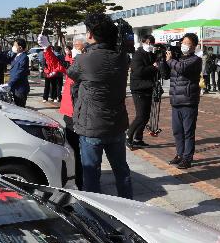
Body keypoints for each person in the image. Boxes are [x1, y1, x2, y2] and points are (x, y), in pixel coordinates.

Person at [67, 13, 132, 199]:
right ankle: (129, 207)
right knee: (122, 171)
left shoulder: (84, 59)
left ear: (91, 34)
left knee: (91, 175)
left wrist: (81, 52)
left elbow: (72, 73)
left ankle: (97, 214)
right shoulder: (121, 58)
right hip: (117, 124)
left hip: (91, 127)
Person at [162, 33, 202, 169]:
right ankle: (179, 154)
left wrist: (170, 60)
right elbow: (166, 74)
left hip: (188, 101)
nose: (184, 45)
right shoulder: (177, 59)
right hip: (175, 100)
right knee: (177, 131)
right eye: (183, 42)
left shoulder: (196, 60)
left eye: (187, 43)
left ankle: (187, 158)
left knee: (188, 132)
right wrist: (163, 60)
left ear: (194, 46)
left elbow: (181, 68)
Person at [59, 40, 84, 189]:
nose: (73, 48)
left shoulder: (81, 64)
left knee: (78, 151)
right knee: (73, 149)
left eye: (76, 46)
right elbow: (61, 63)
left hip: (75, 113)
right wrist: (47, 48)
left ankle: (81, 181)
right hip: (69, 112)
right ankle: (78, 178)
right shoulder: (75, 61)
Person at [127, 35, 158, 149]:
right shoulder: (138, 55)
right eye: (148, 42)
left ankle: (138, 138)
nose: (150, 45)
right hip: (138, 88)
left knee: (146, 116)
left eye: (152, 43)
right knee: (140, 115)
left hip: (148, 87)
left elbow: (157, 70)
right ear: (143, 42)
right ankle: (128, 137)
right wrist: (153, 68)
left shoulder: (151, 54)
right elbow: (139, 71)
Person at [4, 38, 30, 107]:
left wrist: (9, 84)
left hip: (20, 88)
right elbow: (5, 60)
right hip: (14, 87)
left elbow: (20, 72)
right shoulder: (15, 56)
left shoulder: (24, 57)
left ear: (20, 47)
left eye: (15, 45)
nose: (13, 47)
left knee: (20, 107)